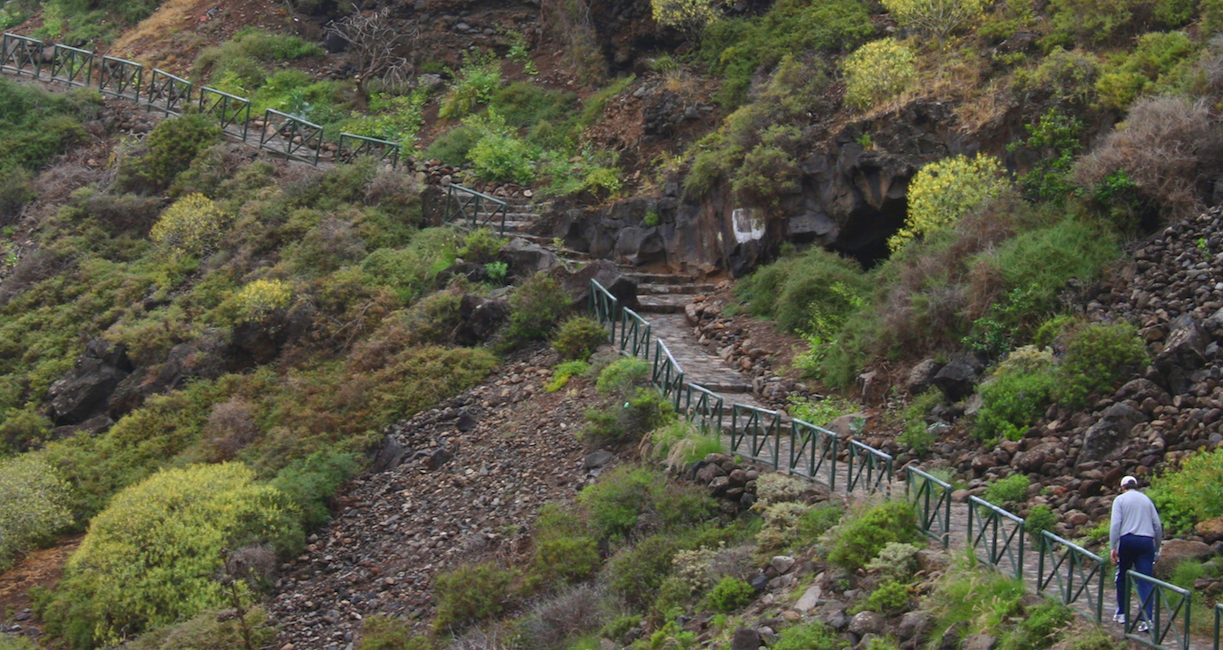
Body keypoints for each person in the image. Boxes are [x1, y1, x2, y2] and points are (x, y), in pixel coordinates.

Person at [1110, 475, 1162, 632]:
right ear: (1136, 486)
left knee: (1122, 576)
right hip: (1147, 542)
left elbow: (1116, 524)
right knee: (1145, 580)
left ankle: (1122, 612)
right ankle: (1147, 619)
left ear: (1123, 487)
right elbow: (1157, 526)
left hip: (1128, 540)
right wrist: (1157, 547)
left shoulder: (1120, 500)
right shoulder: (1146, 500)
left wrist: (1113, 546)